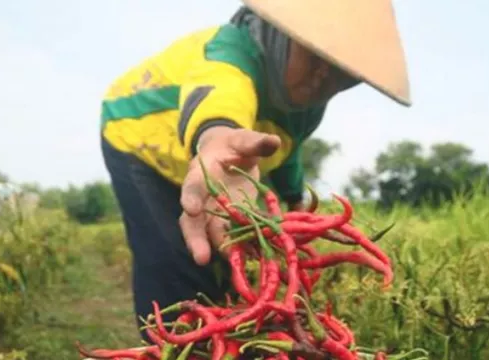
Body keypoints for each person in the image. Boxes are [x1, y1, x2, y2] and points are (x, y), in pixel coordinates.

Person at [99, 0, 411, 341]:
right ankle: (165, 345)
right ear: (283, 34)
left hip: (211, 171)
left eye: (342, 75)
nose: (322, 78)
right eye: (315, 58)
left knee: (224, 266)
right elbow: (218, 94)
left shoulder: (306, 109)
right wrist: (217, 135)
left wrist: (293, 196)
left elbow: (286, 148)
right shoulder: (232, 50)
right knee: (170, 263)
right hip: (137, 138)